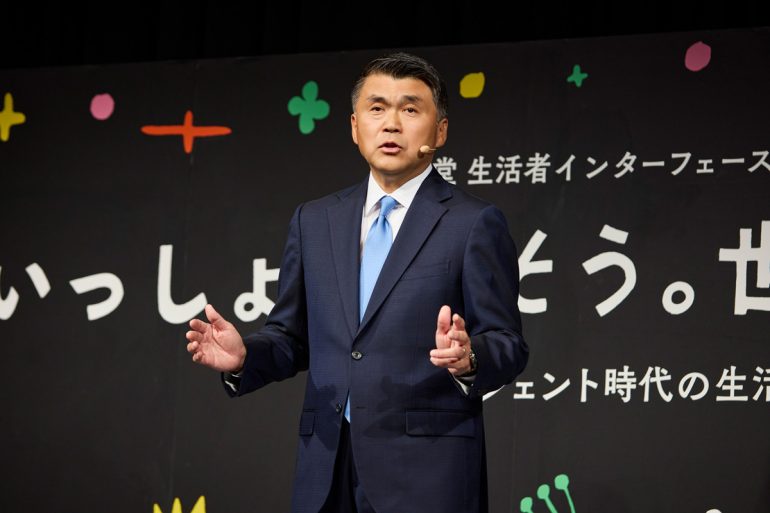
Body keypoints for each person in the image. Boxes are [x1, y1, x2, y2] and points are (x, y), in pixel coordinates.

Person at [185, 52, 528, 513]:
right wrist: (245, 356)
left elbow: (507, 342)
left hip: (427, 471)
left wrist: (470, 359)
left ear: (440, 131)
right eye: (376, 108)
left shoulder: (473, 223)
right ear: (354, 127)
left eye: (410, 109)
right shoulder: (314, 220)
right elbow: (290, 336)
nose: (391, 124)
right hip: (326, 466)